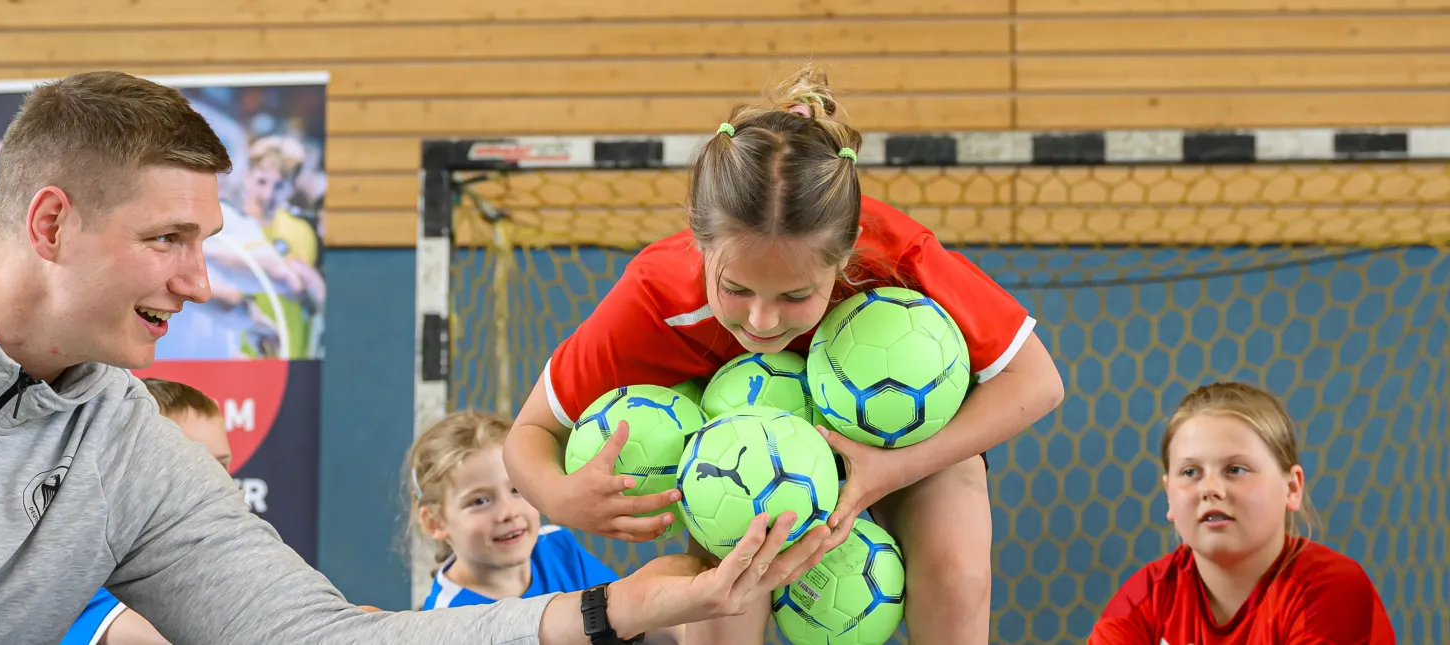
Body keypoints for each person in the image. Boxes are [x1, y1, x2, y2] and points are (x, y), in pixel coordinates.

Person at [0, 70, 824, 645]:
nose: (200, 282)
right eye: (169, 239)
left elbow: (316, 640)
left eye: (207, 242)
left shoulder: (121, 444)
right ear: (51, 223)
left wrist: (611, 611)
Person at [501, 61, 1067, 644]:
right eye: (737, 290)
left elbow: (1038, 381)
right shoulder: (656, 292)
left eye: (796, 295)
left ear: (845, 260)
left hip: (901, 441)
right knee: (724, 600)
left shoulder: (895, 257)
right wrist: (560, 498)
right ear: (700, 245)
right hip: (738, 463)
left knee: (957, 571)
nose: (762, 320)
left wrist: (890, 470)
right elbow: (529, 434)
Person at [404, 411, 771, 645]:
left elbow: (628, 620)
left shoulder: (554, 546)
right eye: (479, 502)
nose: (507, 512)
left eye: (516, 490)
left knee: (698, 585)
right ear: (434, 521)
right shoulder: (446, 619)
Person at [1087, 382, 1394, 644]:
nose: (1210, 488)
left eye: (1236, 469)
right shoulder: (1146, 597)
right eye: (1190, 471)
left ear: (1292, 488)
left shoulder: (1333, 591)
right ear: (1169, 494)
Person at [61, 379, 227, 645]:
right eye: (193, 466)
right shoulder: (82, 584)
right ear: (133, 463)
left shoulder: (222, 576)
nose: (215, 481)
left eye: (222, 465)